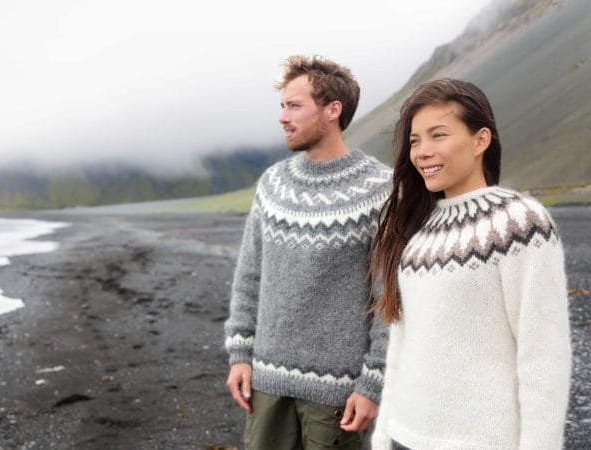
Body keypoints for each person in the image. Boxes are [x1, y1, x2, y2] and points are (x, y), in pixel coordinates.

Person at [370, 79, 572, 449]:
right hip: (405, 435)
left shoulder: (520, 224)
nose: (422, 152)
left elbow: (543, 357)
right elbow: (402, 346)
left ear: (481, 140)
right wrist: (383, 436)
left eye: (438, 135)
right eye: (415, 140)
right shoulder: (417, 234)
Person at [224, 55, 392, 449]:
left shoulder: (381, 189)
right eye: (282, 106)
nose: (283, 117)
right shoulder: (273, 185)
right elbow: (249, 277)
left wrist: (374, 381)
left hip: (339, 394)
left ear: (333, 110)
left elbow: (390, 298)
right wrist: (240, 353)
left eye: (294, 106)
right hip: (266, 383)